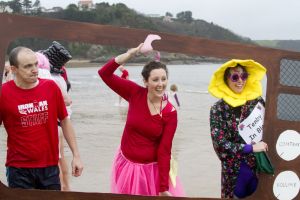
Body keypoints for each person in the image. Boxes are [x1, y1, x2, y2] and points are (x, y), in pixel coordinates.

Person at [98, 43, 184, 196]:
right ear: (145, 81)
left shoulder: (170, 112)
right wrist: (130, 54)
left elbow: (165, 150)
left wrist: (163, 187)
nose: (160, 84)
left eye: (164, 79)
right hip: (126, 165)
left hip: (151, 172)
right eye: (155, 80)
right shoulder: (135, 93)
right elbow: (104, 73)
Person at [0, 47, 83, 190]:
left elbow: (64, 120)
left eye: (36, 64)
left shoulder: (50, 87)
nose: (34, 69)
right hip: (19, 169)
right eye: (27, 66)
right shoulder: (4, 93)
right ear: (13, 69)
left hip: (49, 168)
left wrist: (76, 155)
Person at [208, 59, 269, 198]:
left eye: (244, 76)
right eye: (235, 77)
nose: (240, 80)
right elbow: (220, 145)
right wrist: (250, 148)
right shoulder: (218, 109)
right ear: (226, 80)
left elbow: (270, 127)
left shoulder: (257, 102)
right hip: (234, 175)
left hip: (259, 169)